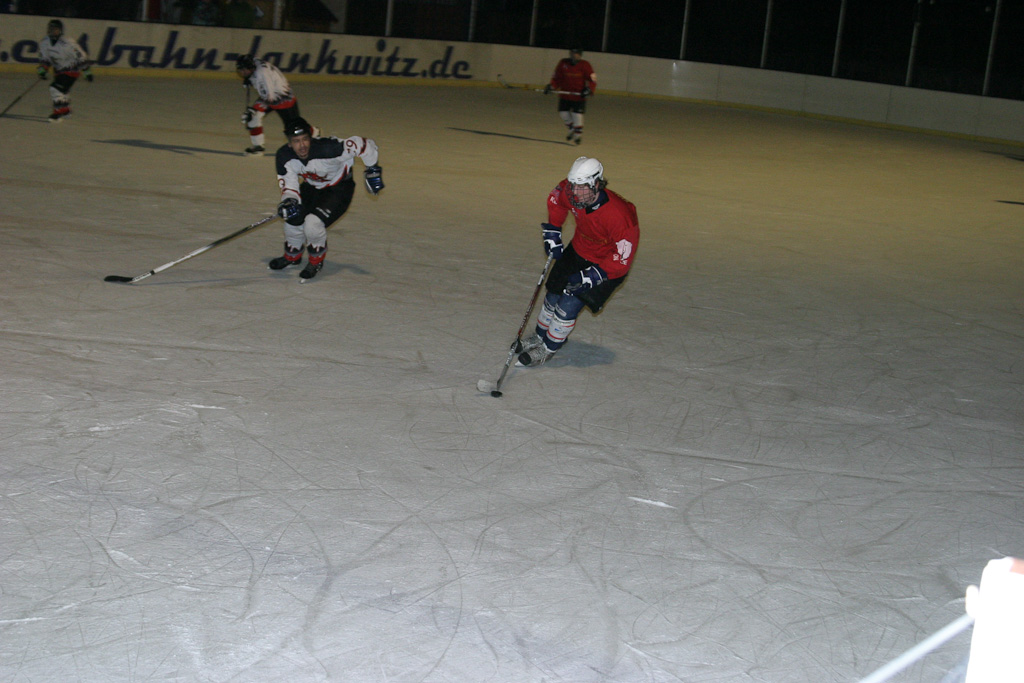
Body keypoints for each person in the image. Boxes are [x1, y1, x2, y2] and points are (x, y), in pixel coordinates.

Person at [517, 156, 639, 367]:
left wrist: (592, 275)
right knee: (553, 293)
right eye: (573, 185)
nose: (575, 192)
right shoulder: (570, 191)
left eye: (582, 187)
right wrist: (553, 230)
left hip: (607, 266)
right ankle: (540, 335)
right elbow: (556, 200)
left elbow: (622, 259)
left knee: (568, 304)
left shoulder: (620, 215)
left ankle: (549, 347)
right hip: (579, 251)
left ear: (597, 184)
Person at [271, 117, 384, 281]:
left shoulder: (329, 148)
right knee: (292, 217)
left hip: (339, 189)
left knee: (312, 223)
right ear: (289, 143)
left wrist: (373, 169)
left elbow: (365, 145)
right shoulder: (284, 156)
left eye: (305, 139)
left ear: (310, 138)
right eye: (296, 141)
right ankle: (292, 256)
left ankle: (315, 261)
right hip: (312, 187)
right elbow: (289, 185)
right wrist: (290, 200)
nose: (302, 146)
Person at [236, 54, 310, 156]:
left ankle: (314, 133)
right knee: (254, 118)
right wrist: (250, 79)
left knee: (293, 127)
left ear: (251, 68)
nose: (242, 73)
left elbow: (269, 98)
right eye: (240, 70)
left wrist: (253, 110)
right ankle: (258, 147)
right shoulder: (255, 62)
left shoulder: (262, 76)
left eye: (244, 70)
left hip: (282, 98)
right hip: (277, 93)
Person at [36, 19, 93, 122]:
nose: (54, 31)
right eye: (52, 29)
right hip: (58, 71)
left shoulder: (67, 43)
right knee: (62, 90)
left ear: (60, 30)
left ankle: (58, 112)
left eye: (56, 29)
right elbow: (45, 59)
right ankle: (66, 111)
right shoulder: (44, 42)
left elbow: (80, 56)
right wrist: (42, 70)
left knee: (55, 88)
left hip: (72, 70)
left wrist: (86, 71)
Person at [544, 48, 596, 145]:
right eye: (573, 53)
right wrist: (551, 86)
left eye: (577, 54)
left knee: (577, 114)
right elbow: (557, 77)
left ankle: (578, 135)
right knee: (563, 113)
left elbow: (592, 79)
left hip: (578, 95)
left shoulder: (585, 65)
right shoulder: (563, 63)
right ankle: (572, 128)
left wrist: (589, 89)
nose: (575, 55)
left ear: (580, 55)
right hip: (565, 94)